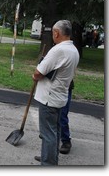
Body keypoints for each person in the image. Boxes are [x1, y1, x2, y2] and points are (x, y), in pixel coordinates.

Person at [32, 20, 79, 165]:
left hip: (49, 98)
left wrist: (35, 75)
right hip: (60, 96)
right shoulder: (73, 50)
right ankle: (50, 158)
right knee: (55, 132)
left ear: (56, 33)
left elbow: (38, 72)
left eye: (53, 32)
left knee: (48, 135)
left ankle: (48, 164)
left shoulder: (58, 50)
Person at [60, 80, 74, 154]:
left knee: (62, 115)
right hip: (51, 88)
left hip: (64, 88)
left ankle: (66, 141)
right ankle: (47, 152)